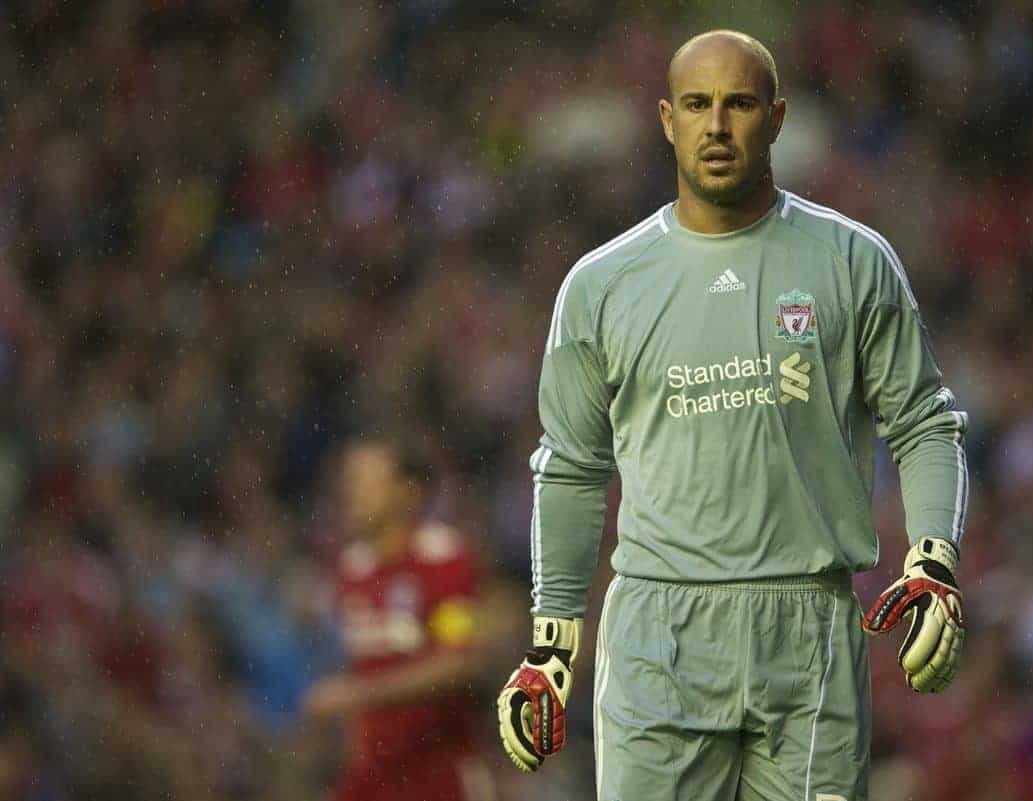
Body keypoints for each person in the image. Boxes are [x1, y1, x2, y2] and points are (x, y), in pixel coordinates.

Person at [496, 29, 969, 801]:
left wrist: (934, 559)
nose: (717, 126)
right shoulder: (601, 285)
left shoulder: (852, 261)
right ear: (666, 120)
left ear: (777, 119)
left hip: (808, 623)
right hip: (659, 628)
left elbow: (923, 421)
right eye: (697, 104)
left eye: (740, 104)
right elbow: (571, 466)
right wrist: (552, 642)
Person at [305, 437, 495, 801]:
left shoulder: (442, 560)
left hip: (436, 775)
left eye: (365, 482)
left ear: (408, 492)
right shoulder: (350, 570)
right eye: (348, 482)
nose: (351, 493)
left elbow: (461, 662)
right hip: (371, 777)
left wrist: (359, 694)